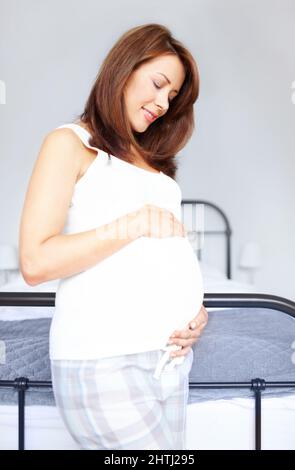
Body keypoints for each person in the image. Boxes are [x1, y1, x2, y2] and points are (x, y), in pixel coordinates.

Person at [19, 23, 208, 450]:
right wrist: (133, 222)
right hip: (104, 359)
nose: (162, 103)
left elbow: (160, 255)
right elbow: (35, 262)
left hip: (170, 361)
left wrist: (197, 309)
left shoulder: (153, 166)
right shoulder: (69, 143)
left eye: (172, 97)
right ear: (124, 69)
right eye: (158, 85)